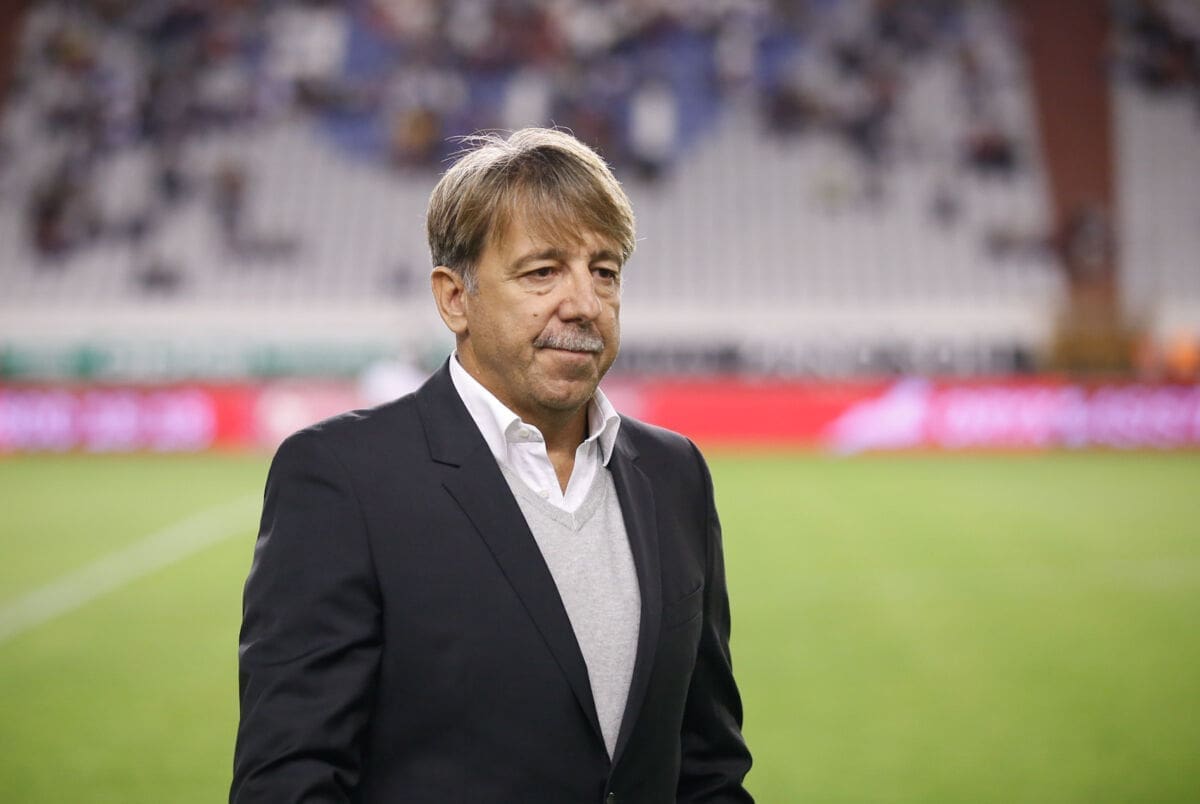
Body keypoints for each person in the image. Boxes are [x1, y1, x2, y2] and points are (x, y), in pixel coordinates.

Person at [231, 127, 753, 803]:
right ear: (455, 298)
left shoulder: (675, 474)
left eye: (604, 271)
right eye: (542, 272)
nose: (584, 304)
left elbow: (707, 768)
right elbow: (290, 781)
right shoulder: (342, 479)